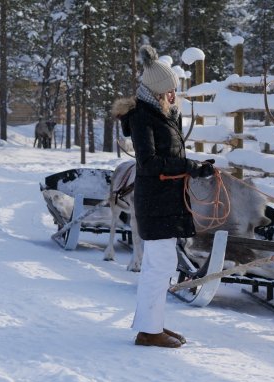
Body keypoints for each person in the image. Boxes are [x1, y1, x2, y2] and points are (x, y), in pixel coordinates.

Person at [112, 44, 214, 348]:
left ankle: (152, 325)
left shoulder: (163, 114)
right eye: (170, 90)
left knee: (162, 266)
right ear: (157, 91)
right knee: (159, 267)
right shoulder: (144, 117)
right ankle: (148, 331)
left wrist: (193, 167)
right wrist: (190, 167)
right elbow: (149, 163)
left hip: (166, 201)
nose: (174, 94)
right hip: (155, 202)